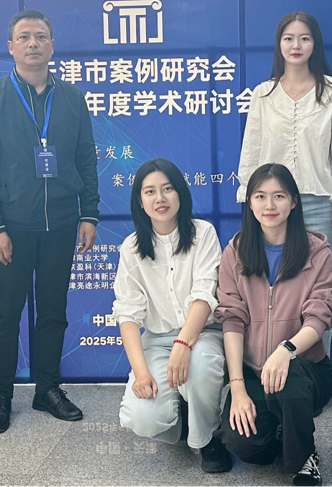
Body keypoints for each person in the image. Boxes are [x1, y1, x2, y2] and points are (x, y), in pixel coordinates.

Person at [0, 10, 100, 433]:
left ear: (52, 45)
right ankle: (1, 397)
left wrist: (89, 213)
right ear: (11, 47)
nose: (33, 43)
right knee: (6, 315)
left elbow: (86, 159)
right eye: (24, 37)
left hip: (61, 222)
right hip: (11, 226)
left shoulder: (72, 98)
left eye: (41, 36)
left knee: (53, 311)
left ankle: (47, 389)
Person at [216, 163, 332, 487]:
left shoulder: (316, 251)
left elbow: (319, 316)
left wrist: (286, 351)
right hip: (254, 373)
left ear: (294, 201)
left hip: (305, 370)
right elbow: (232, 320)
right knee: (245, 445)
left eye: (279, 196)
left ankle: (304, 458)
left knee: (289, 382)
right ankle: (282, 425)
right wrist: (238, 387)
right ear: (249, 202)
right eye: (260, 196)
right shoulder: (235, 252)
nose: (269, 205)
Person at [114, 158, 232, 473]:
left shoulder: (203, 233)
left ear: (180, 192)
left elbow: (205, 294)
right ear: (140, 201)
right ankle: (181, 421)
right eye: (150, 191)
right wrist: (141, 373)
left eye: (168, 189)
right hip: (157, 340)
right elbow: (127, 313)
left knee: (202, 366)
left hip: (204, 332)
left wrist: (183, 344)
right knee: (143, 418)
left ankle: (208, 438)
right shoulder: (131, 248)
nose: (160, 198)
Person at [237, 11, 332, 261]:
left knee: (320, 274)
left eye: (304, 39)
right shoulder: (263, 94)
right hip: (272, 202)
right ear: (279, 43)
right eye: (288, 38)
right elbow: (251, 149)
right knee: (274, 272)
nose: (296, 46)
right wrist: (251, 194)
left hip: (320, 203)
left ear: (315, 44)